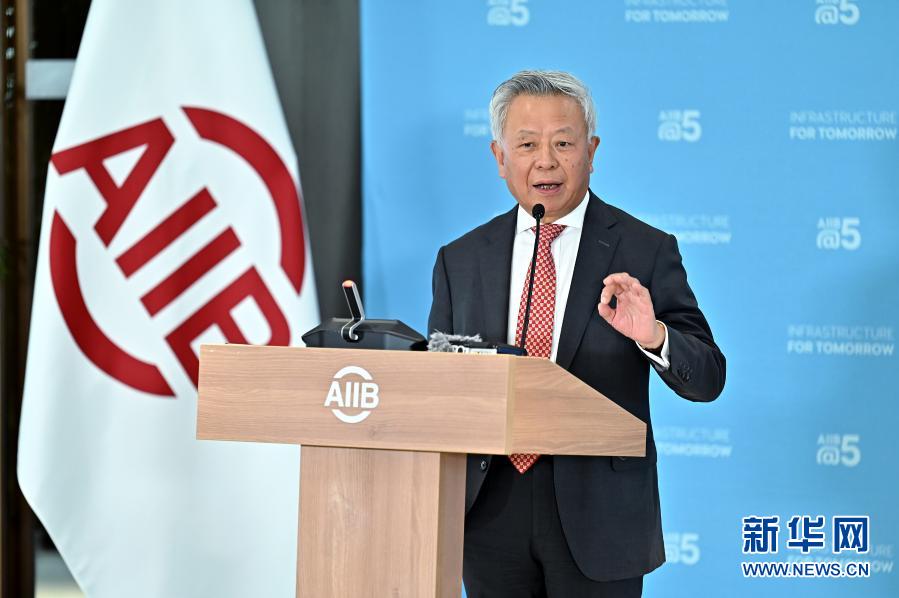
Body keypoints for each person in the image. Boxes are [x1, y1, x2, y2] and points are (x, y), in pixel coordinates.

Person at [427, 70, 726, 597]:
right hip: (489, 510)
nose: (546, 161)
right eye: (527, 144)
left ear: (592, 151)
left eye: (563, 143)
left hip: (600, 514)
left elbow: (707, 377)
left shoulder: (644, 248)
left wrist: (653, 335)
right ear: (500, 157)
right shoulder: (461, 259)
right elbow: (440, 384)